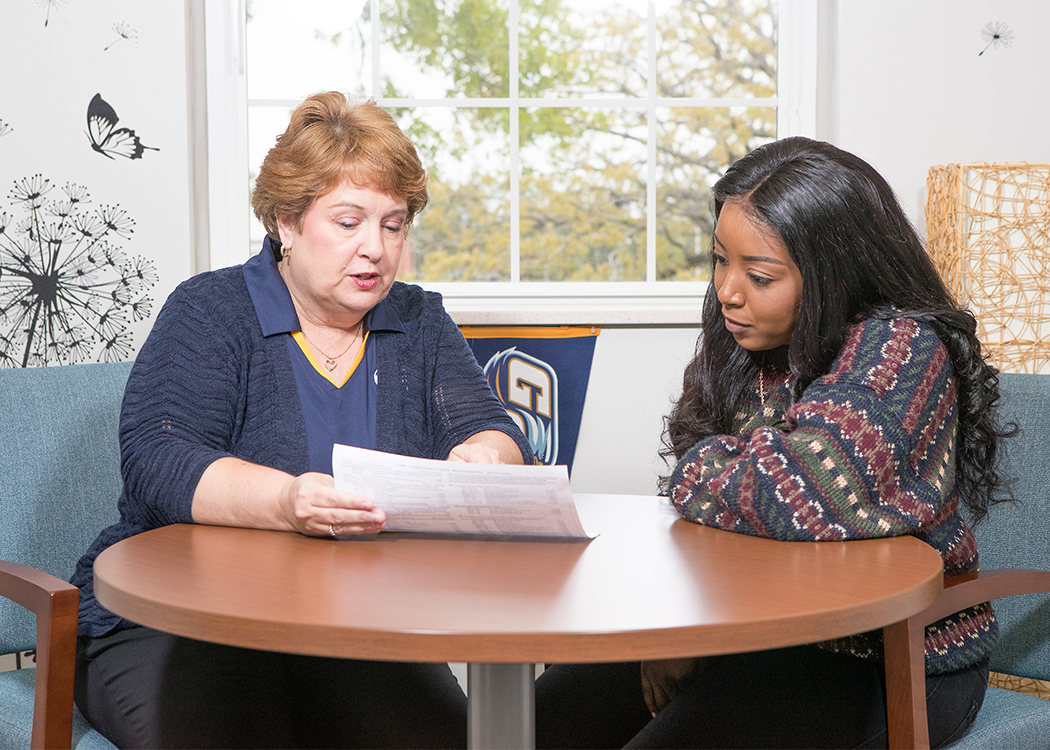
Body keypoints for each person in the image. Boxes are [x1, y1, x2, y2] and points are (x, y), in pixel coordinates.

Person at [71, 91, 532, 749]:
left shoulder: (419, 321)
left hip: (350, 627)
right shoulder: (211, 310)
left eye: (394, 224)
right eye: (348, 222)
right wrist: (287, 500)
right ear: (287, 223)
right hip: (176, 622)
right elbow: (157, 460)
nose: (375, 248)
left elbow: (497, 431)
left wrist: (487, 455)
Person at [535, 136, 1014, 749]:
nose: (728, 291)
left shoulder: (901, 349)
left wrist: (713, 469)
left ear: (834, 271)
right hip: (747, 636)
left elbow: (796, 494)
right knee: (535, 725)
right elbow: (722, 512)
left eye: (759, 275)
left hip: (884, 659)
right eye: (719, 260)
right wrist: (677, 633)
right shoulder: (749, 341)